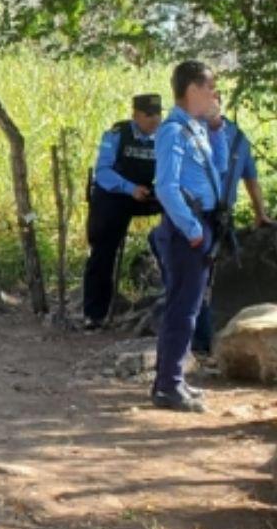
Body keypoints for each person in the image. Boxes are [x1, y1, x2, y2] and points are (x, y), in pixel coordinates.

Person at [150, 61, 220, 412]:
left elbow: (218, 170)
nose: (214, 95)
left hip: (202, 224)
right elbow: (166, 186)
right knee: (183, 307)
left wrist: (217, 127)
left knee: (188, 306)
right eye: (209, 88)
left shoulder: (198, 128)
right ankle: (168, 386)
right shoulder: (173, 131)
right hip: (186, 230)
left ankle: (170, 379)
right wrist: (192, 230)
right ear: (192, 88)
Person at [187, 93, 273, 353]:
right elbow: (252, 181)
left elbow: (251, 179)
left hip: (206, 215)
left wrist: (261, 214)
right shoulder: (231, 136)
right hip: (208, 215)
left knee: (200, 279)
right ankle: (199, 340)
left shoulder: (208, 135)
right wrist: (260, 213)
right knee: (202, 279)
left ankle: (200, 341)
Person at [81, 94, 164, 329]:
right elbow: (103, 172)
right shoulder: (116, 135)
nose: (154, 120)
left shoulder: (165, 136)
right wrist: (129, 188)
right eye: (149, 115)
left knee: (180, 217)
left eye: (158, 114)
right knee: (103, 252)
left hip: (145, 192)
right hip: (114, 194)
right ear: (135, 115)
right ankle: (94, 315)